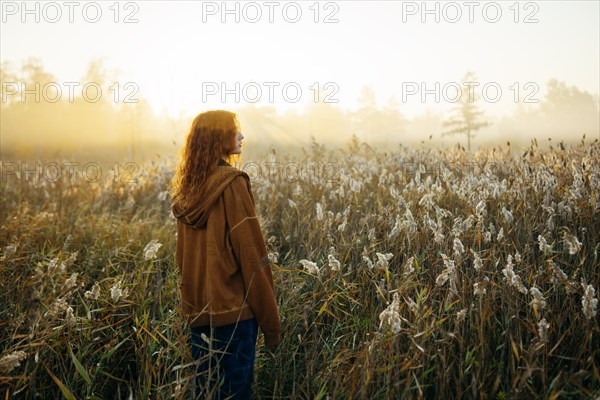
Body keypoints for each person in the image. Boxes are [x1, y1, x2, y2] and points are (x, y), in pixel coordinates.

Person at [169, 110, 281, 399]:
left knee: (205, 392)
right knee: (235, 393)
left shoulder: (188, 188)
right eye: (234, 130)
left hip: (199, 313)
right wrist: (271, 322)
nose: (241, 136)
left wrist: (192, 307)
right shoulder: (233, 183)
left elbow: (181, 258)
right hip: (235, 314)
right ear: (219, 138)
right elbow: (252, 254)